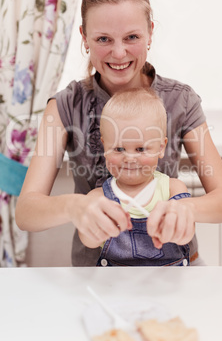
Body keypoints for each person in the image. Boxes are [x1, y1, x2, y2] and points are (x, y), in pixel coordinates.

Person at [15, 0, 222, 267]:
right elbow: (26, 212)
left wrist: (187, 209)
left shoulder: (181, 101)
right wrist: (76, 206)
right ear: (84, 38)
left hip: (175, 273)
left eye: (132, 37)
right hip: (98, 278)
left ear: (150, 33)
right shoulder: (64, 106)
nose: (118, 53)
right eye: (103, 39)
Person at [79, 87, 194, 266]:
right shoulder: (98, 198)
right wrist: (95, 227)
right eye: (119, 149)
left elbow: (187, 234)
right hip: (116, 287)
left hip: (169, 286)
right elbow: (87, 240)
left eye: (140, 149)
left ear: (161, 148)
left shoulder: (173, 189)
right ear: (104, 147)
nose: (130, 158)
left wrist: (174, 227)